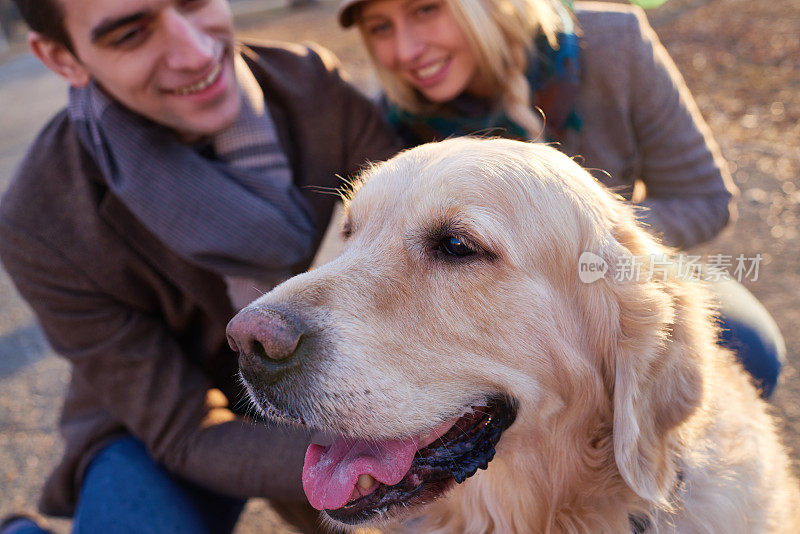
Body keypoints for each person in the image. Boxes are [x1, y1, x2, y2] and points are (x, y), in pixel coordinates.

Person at [0, 0, 398, 532]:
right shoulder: (40, 218)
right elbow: (185, 430)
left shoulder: (312, 88)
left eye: (193, 1)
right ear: (62, 57)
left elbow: (422, 242)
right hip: (164, 422)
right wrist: (376, 457)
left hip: (335, 372)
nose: (195, 52)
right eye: (130, 35)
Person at [336, 0, 785, 396]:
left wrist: (581, 247)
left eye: (426, 9)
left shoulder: (615, 41)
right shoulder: (386, 123)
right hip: (473, 322)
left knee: (749, 343)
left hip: (621, 266)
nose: (406, 50)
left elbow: (705, 198)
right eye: (380, 27)